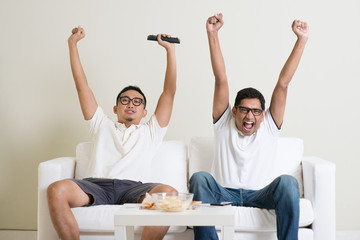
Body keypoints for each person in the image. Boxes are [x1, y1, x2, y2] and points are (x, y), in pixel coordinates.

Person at [47, 26, 177, 240]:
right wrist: (72, 45)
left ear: (144, 112)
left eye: (137, 102)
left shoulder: (151, 132)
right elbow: (82, 86)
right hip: (96, 185)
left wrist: (170, 52)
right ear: (115, 108)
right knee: (55, 190)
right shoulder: (101, 124)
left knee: (170, 194)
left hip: (135, 188)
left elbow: (169, 93)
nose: (131, 105)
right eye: (125, 100)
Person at [189, 13, 309, 240]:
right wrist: (212, 34)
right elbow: (220, 78)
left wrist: (300, 40)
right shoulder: (224, 123)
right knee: (199, 178)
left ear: (262, 115)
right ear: (234, 111)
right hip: (222, 192)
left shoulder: (269, 126)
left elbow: (283, 83)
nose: (249, 116)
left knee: (289, 183)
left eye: (255, 111)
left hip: (261, 195)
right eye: (243, 110)